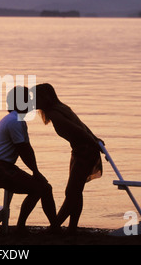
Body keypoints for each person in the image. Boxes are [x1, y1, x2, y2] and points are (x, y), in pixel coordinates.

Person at [0, 86, 59, 233]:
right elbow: (24, 150)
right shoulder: (15, 121)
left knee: (44, 188)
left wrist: (35, 172)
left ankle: (52, 226)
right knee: (41, 188)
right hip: (0, 169)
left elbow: (27, 149)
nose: (31, 103)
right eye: (28, 100)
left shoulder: (14, 120)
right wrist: (36, 172)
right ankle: (22, 227)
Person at [33, 83, 103, 235]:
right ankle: (71, 229)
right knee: (76, 192)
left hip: (85, 152)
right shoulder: (62, 108)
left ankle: (55, 227)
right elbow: (83, 126)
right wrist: (95, 138)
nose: (33, 101)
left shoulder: (55, 113)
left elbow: (79, 129)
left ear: (44, 98)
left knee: (71, 192)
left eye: (36, 97)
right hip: (80, 151)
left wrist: (94, 142)